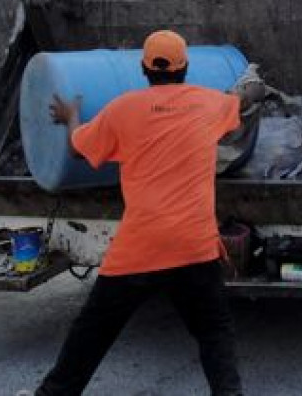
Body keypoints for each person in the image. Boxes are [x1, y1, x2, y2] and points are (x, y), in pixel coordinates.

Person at [32, 30, 244, 396]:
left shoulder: (122, 108)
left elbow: (78, 148)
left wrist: (71, 116)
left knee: (93, 331)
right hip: (194, 246)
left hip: (140, 248)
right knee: (214, 330)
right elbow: (237, 103)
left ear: (144, 69)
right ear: (186, 68)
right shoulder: (210, 104)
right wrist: (248, 88)